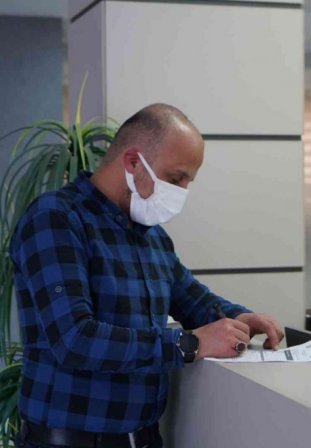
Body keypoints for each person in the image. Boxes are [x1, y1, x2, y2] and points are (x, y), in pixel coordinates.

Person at [9, 104, 284, 448]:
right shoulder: (56, 219)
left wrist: (238, 317)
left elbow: (191, 297)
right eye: (175, 178)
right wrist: (191, 343)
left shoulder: (152, 236)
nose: (182, 191)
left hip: (144, 438)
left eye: (188, 182)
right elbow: (74, 338)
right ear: (133, 162)